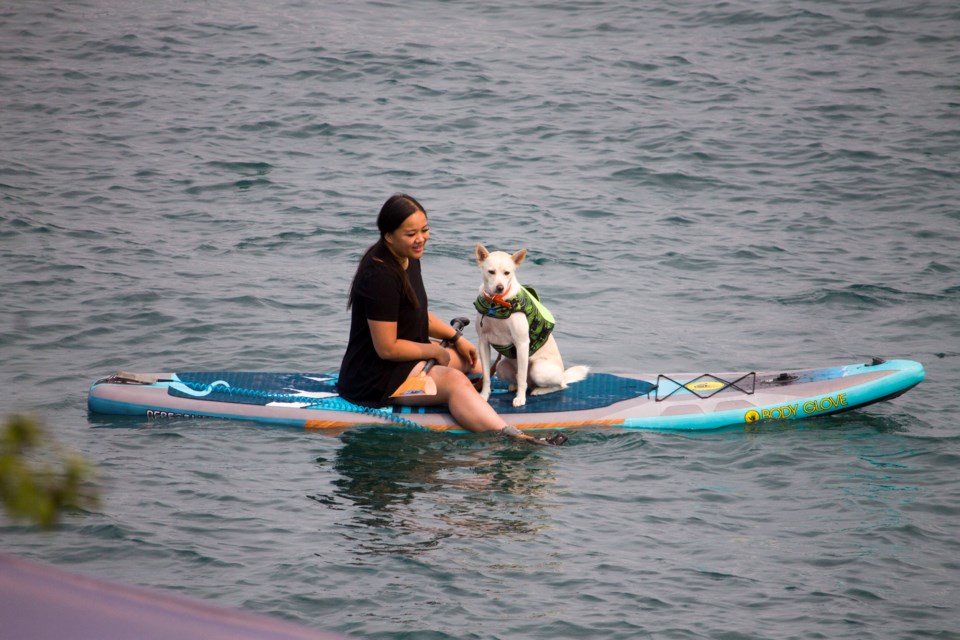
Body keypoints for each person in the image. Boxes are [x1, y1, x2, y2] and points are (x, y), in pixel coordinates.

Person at [337, 194, 563, 445]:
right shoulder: (379, 276)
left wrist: (455, 338)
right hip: (375, 375)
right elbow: (387, 348)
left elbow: (417, 314)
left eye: (424, 230)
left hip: (409, 355)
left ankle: (483, 401)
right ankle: (514, 438)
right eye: (411, 233)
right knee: (456, 381)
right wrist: (436, 352)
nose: (420, 238)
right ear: (389, 235)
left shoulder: (408, 258)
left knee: (475, 364)